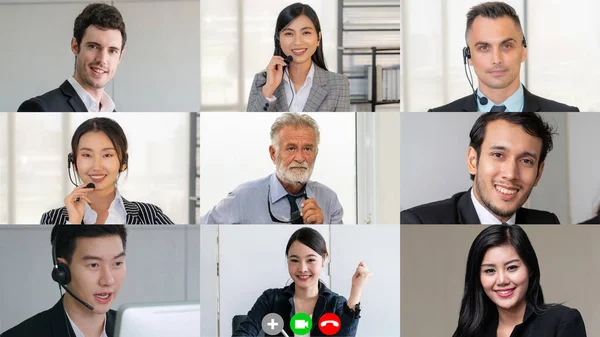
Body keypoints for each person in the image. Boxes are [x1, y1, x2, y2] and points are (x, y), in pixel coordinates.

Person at [401, 112, 559, 224]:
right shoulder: (418, 223)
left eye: (525, 161)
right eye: (498, 155)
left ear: (539, 173)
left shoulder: (548, 222)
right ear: (472, 161)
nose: (511, 174)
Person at [429, 1, 578, 112]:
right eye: (484, 48)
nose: (496, 59)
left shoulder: (565, 112)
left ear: (523, 51)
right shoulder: (437, 115)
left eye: (506, 46)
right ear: (469, 57)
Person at [201, 113, 343, 224]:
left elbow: (337, 252)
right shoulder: (242, 198)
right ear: (273, 153)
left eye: (307, 149)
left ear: (315, 154)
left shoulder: (329, 200)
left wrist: (323, 230)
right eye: (291, 148)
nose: (300, 158)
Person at [452, 224, 586, 337]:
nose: (502, 280)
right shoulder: (470, 332)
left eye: (512, 267)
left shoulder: (562, 321)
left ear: (530, 269)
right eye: (490, 270)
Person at [232, 227, 371, 336]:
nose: (302, 269)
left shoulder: (335, 304)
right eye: (294, 260)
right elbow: (243, 333)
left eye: (310, 260)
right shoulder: (270, 300)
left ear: (324, 259)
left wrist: (356, 290)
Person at [40, 117, 174, 224]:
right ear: (73, 162)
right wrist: (73, 223)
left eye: (107, 155)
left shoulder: (151, 216)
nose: (97, 166)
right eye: (87, 155)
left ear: (123, 161)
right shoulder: (52, 219)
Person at [1, 225, 127, 337]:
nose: (108, 280)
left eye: (117, 263)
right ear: (62, 271)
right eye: (93, 265)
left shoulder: (137, 330)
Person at [17, 3, 126, 112]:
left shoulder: (113, 114)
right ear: (75, 46)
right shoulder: (39, 109)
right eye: (93, 46)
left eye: (112, 51)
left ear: (120, 56)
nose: (102, 60)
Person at [247, 3, 350, 112]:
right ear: (278, 39)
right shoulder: (261, 81)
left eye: (306, 32)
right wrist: (268, 90)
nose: (297, 42)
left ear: (318, 38)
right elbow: (249, 125)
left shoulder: (339, 84)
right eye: (289, 34)